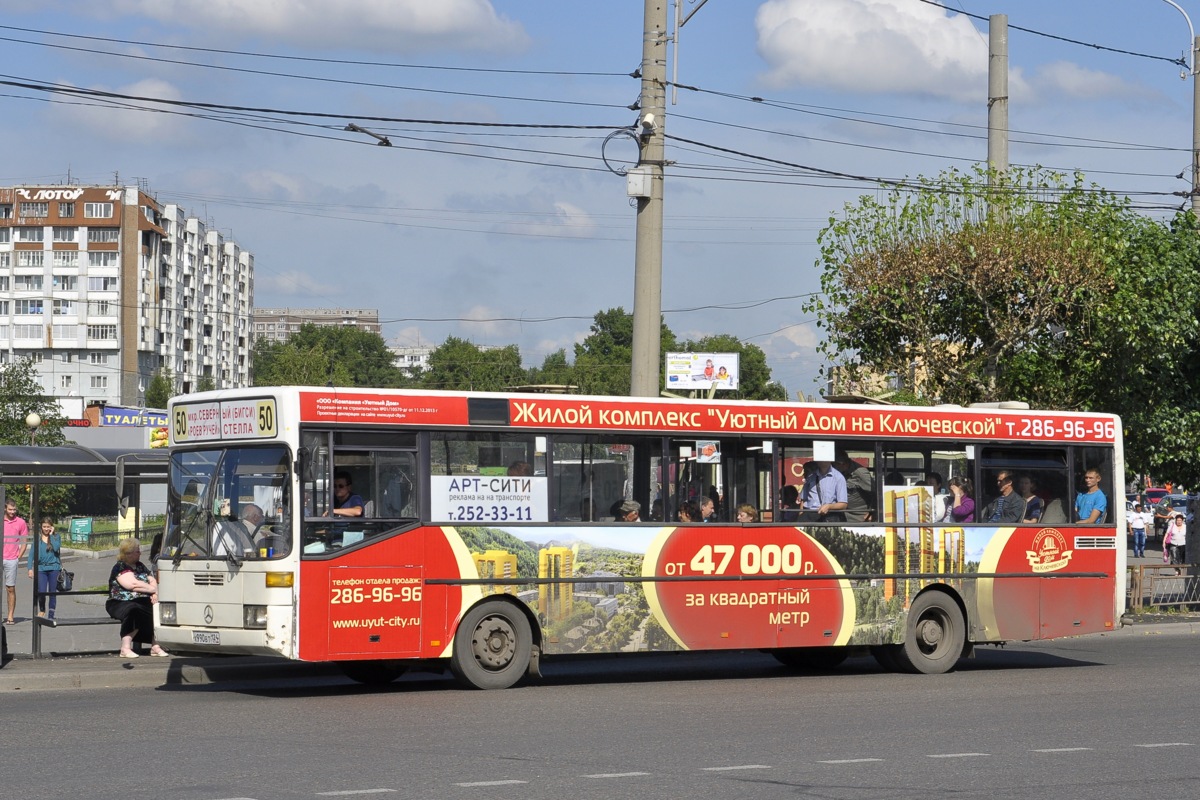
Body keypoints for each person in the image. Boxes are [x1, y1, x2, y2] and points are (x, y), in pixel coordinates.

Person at [105, 538, 169, 658]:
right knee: (134, 610)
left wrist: (155, 594)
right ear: (128, 553)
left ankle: (155, 645)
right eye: (137, 551)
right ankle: (125, 647)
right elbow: (132, 585)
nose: (140, 553)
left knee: (158, 609)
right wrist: (153, 590)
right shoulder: (120, 567)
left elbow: (152, 580)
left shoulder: (140, 566)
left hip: (142, 600)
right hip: (119, 602)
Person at [27, 518, 62, 620]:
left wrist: (51, 535)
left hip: (54, 568)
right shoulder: (37, 538)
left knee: (52, 592)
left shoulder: (56, 537)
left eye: (48, 527)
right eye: (44, 527)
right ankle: (42, 610)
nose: (46, 529)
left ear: (51, 527)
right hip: (41, 568)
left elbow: (56, 548)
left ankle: (51, 614)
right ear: (41, 527)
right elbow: (31, 555)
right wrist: (30, 568)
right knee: (41, 591)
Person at [3, 500, 29, 625]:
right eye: (10, 510)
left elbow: (24, 541)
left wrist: (18, 557)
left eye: (14, 510)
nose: (12, 512)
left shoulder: (21, 522)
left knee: (10, 588)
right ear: (5, 509)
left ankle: (10, 615)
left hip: (11, 559)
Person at [834, 451, 875, 523]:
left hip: (859, 517)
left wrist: (872, 513)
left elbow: (877, 494)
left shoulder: (860, 473)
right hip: (840, 514)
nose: (833, 468)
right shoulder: (837, 473)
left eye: (834, 465)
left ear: (842, 464)